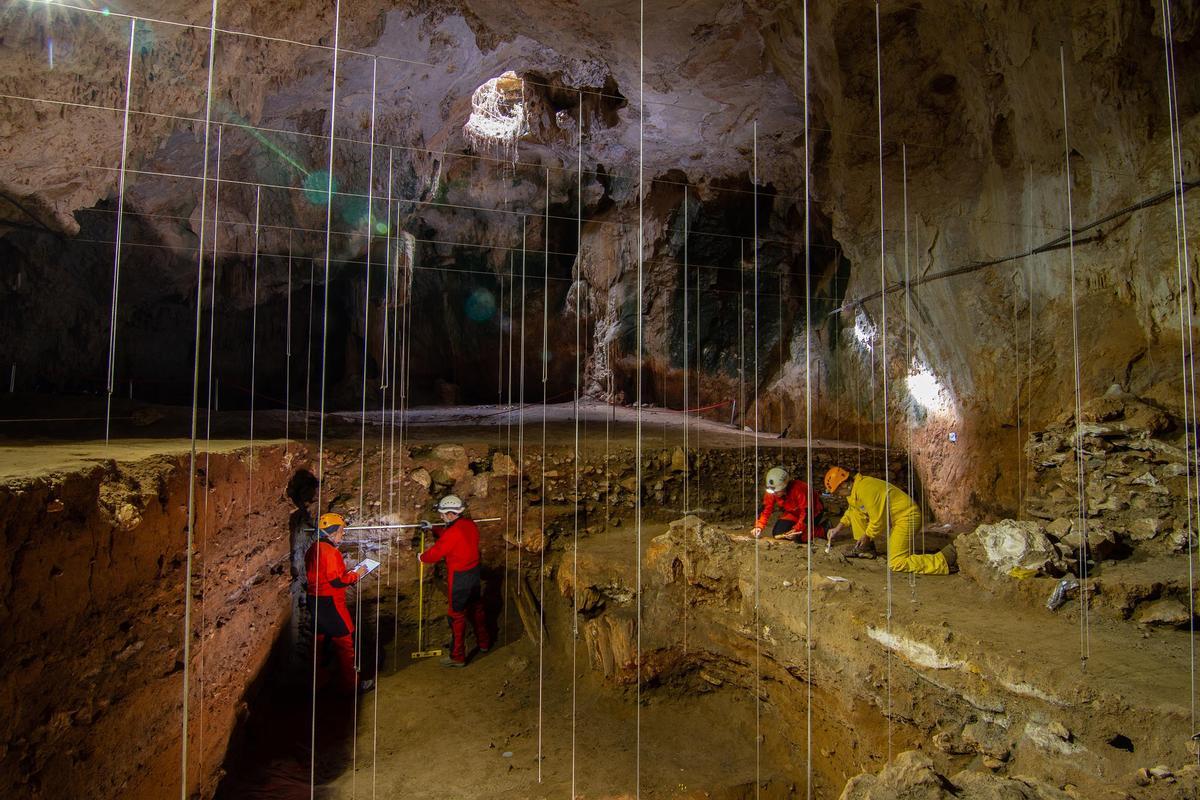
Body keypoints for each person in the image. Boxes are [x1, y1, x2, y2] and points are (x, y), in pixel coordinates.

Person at [824, 466, 956, 575]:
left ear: (844, 484)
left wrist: (867, 536)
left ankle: (942, 559)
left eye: (836, 492)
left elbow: (877, 521)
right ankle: (866, 549)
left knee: (896, 562)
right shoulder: (853, 492)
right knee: (856, 513)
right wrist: (838, 528)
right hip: (898, 519)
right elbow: (852, 511)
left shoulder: (866, 489)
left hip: (908, 517)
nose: (838, 496)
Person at [418, 494, 491, 667]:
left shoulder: (452, 533)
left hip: (459, 579)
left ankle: (457, 657)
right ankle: (484, 643)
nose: (442, 517)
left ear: (451, 514)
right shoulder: (469, 525)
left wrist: (421, 557)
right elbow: (452, 535)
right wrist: (433, 528)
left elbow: (436, 553)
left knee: (456, 617)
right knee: (477, 610)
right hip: (474, 575)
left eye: (443, 515)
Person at [305, 512, 374, 693]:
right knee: (345, 642)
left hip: (314, 600)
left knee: (319, 641)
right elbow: (336, 581)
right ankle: (352, 685)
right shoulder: (331, 552)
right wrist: (356, 575)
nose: (343, 534)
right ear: (332, 532)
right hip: (330, 602)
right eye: (341, 531)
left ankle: (317, 680)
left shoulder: (313, 548)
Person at [751, 466, 826, 543]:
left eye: (777, 491)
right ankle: (807, 530)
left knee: (799, 537)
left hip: (814, 512)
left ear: (784, 486)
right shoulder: (773, 491)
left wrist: (797, 529)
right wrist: (759, 526)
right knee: (779, 533)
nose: (774, 494)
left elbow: (806, 513)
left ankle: (823, 530)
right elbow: (766, 509)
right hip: (793, 513)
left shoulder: (799, 490)